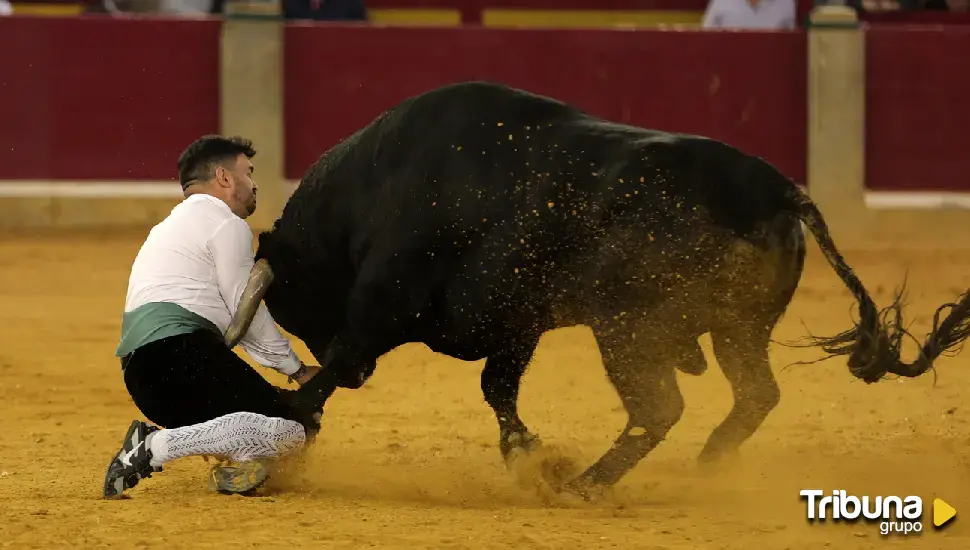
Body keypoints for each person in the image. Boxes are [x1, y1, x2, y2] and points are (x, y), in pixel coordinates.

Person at [103, 135, 321, 499]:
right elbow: (243, 308)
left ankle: (238, 466)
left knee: (272, 421)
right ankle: (154, 446)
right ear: (224, 177)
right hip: (177, 358)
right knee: (296, 426)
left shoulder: (170, 227)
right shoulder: (224, 222)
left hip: (145, 372)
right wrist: (296, 370)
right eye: (248, 173)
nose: (254, 184)